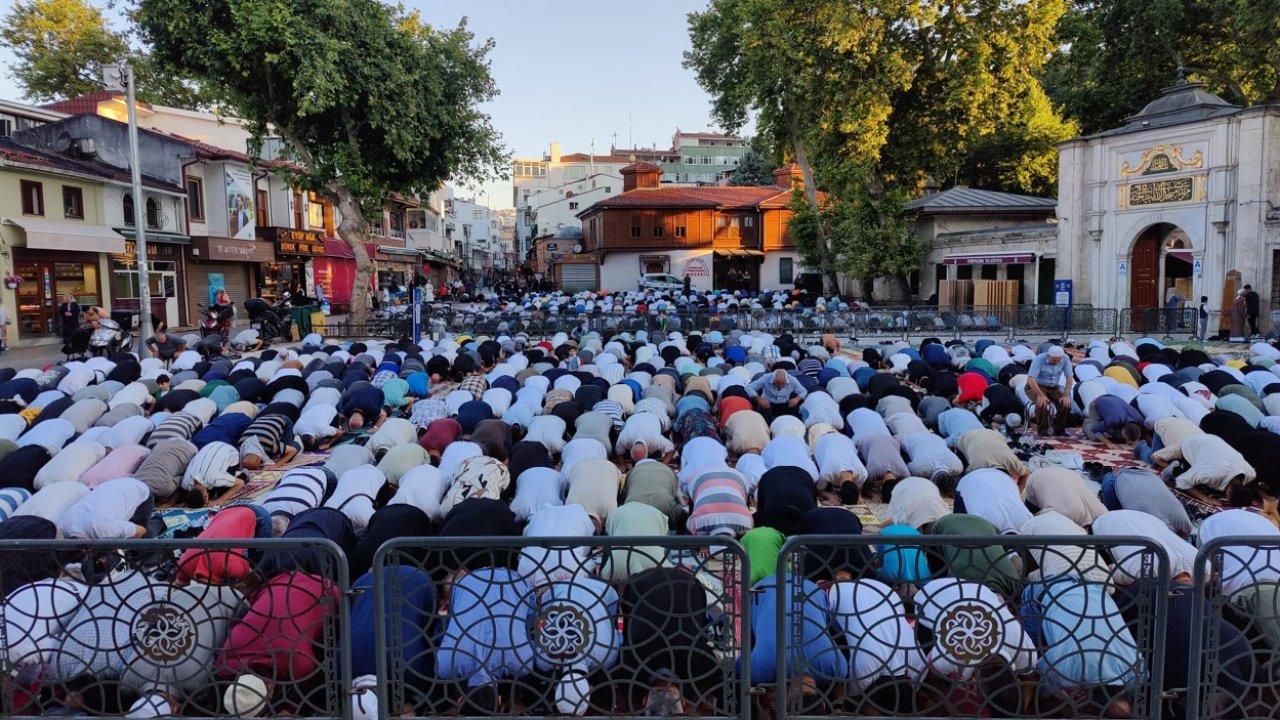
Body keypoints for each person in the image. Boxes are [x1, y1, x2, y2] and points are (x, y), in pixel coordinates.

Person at [1025, 345, 1073, 435]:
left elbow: (1069, 378)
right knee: (1042, 403)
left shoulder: (1065, 359)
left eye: (1058, 360)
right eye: (1053, 360)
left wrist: (1065, 395)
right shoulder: (1039, 359)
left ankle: (1059, 430)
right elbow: (1031, 379)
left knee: (1066, 404)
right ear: (1048, 355)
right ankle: (1042, 429)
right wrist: (1040, 395)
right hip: (1035, 386)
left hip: (1053, 387)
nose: (1055, 362)